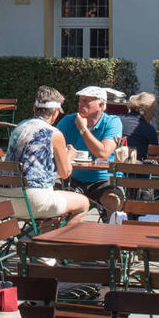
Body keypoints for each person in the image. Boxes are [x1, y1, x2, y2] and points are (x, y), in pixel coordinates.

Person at [1, 86, 87, 226]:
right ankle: (62, 245)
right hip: (33, 201)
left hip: (3, 200)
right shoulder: (54, 133)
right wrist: (70, 155)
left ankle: (44, 239)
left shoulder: (19, 127)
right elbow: (65, 173)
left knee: (53, 204)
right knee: (83, 203)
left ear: (34, 108)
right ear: (55, 112)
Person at [57, 85, 125, 218]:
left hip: (104, 179)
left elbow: (103, 153)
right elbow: (52, 145)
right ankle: (51, 236)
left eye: (86, 101)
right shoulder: (68, 121)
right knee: (53, 198)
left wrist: (83, 129)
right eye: (80, 100)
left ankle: (112, 235)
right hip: (74, 179)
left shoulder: (112, 122)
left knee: (113, 200)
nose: (81, 104)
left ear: (101, 105)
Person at [118, 92, 159, 161]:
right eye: (153, 114)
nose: (152, 117)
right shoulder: (149, 129)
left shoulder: (117, 120)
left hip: (114, 164)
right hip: (136, 168)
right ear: (147, 112)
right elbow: (154, 154)